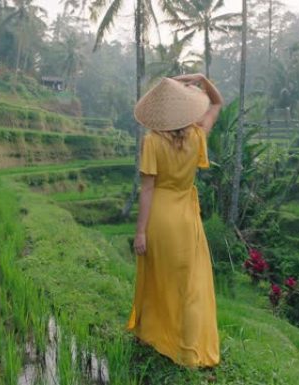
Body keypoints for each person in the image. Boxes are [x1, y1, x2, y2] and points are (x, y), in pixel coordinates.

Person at [126, 73, 224, 367]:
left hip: (160, 216)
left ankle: (154, 334)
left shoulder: (152, 141)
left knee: (159, 278)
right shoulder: (197, 135)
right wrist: (202, 79)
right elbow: (217, 103)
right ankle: (186, 348)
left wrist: (141, 232)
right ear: (187, 111)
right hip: (185, 217)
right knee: (189, 285)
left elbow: (147, 189)